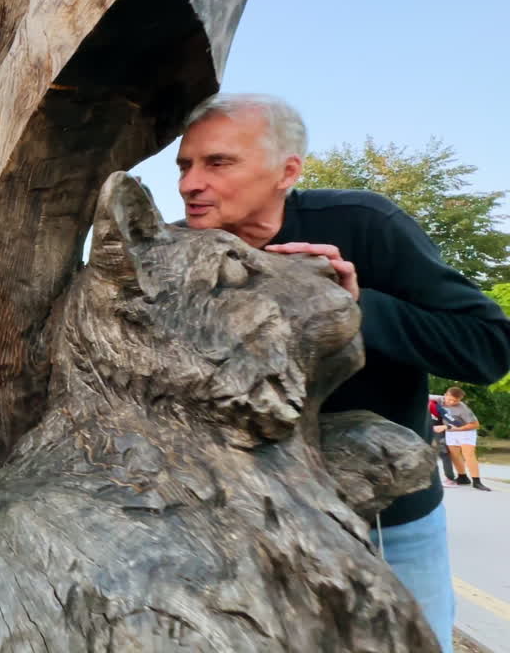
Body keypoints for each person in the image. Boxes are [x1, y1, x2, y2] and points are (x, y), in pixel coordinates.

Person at [174, 93, 510, 653]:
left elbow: (488, 348)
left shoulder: (364, 224)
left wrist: (356, 310)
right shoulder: (173, 256)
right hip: (242, 528)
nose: (190, 184)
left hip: (389, 524)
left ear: (287, 171)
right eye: (184, 165)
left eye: (218, 162)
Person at [431, 387, 489, 491]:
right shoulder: (439, 399)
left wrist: (457, 428)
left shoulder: (463, 409)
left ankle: (477, 481)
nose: (452, 402)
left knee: (469, 455)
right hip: (451, 432)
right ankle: (463, 477)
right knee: (455, 456)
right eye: (450, 399)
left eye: (456, 400)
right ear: (445, 395)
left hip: (466, 431)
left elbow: (475, 425)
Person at [429, 398, 457, 486]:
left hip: (437, 432)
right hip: (429, 431)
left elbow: (454, 421)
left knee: (444, 454)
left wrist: (446, 426)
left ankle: (450, 478)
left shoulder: (435, 406)